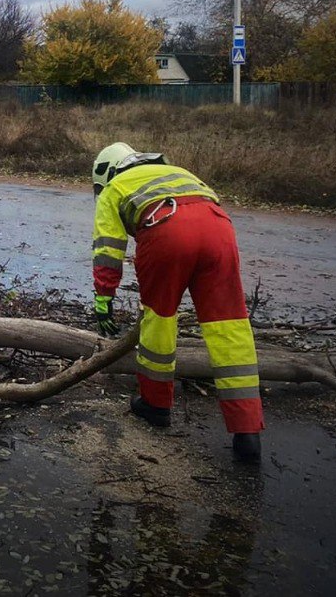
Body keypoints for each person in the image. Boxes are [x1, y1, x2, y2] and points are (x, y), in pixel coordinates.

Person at [89, 142, 264, 462]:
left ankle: (155, 405)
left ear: (108, 172)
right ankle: (248, 430)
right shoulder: (178, 171)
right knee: (230, 325)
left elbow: (108, 250)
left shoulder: (115, 187)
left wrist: (104, 300)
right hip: (219, 231)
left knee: (160, 318)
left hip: (165, 230)